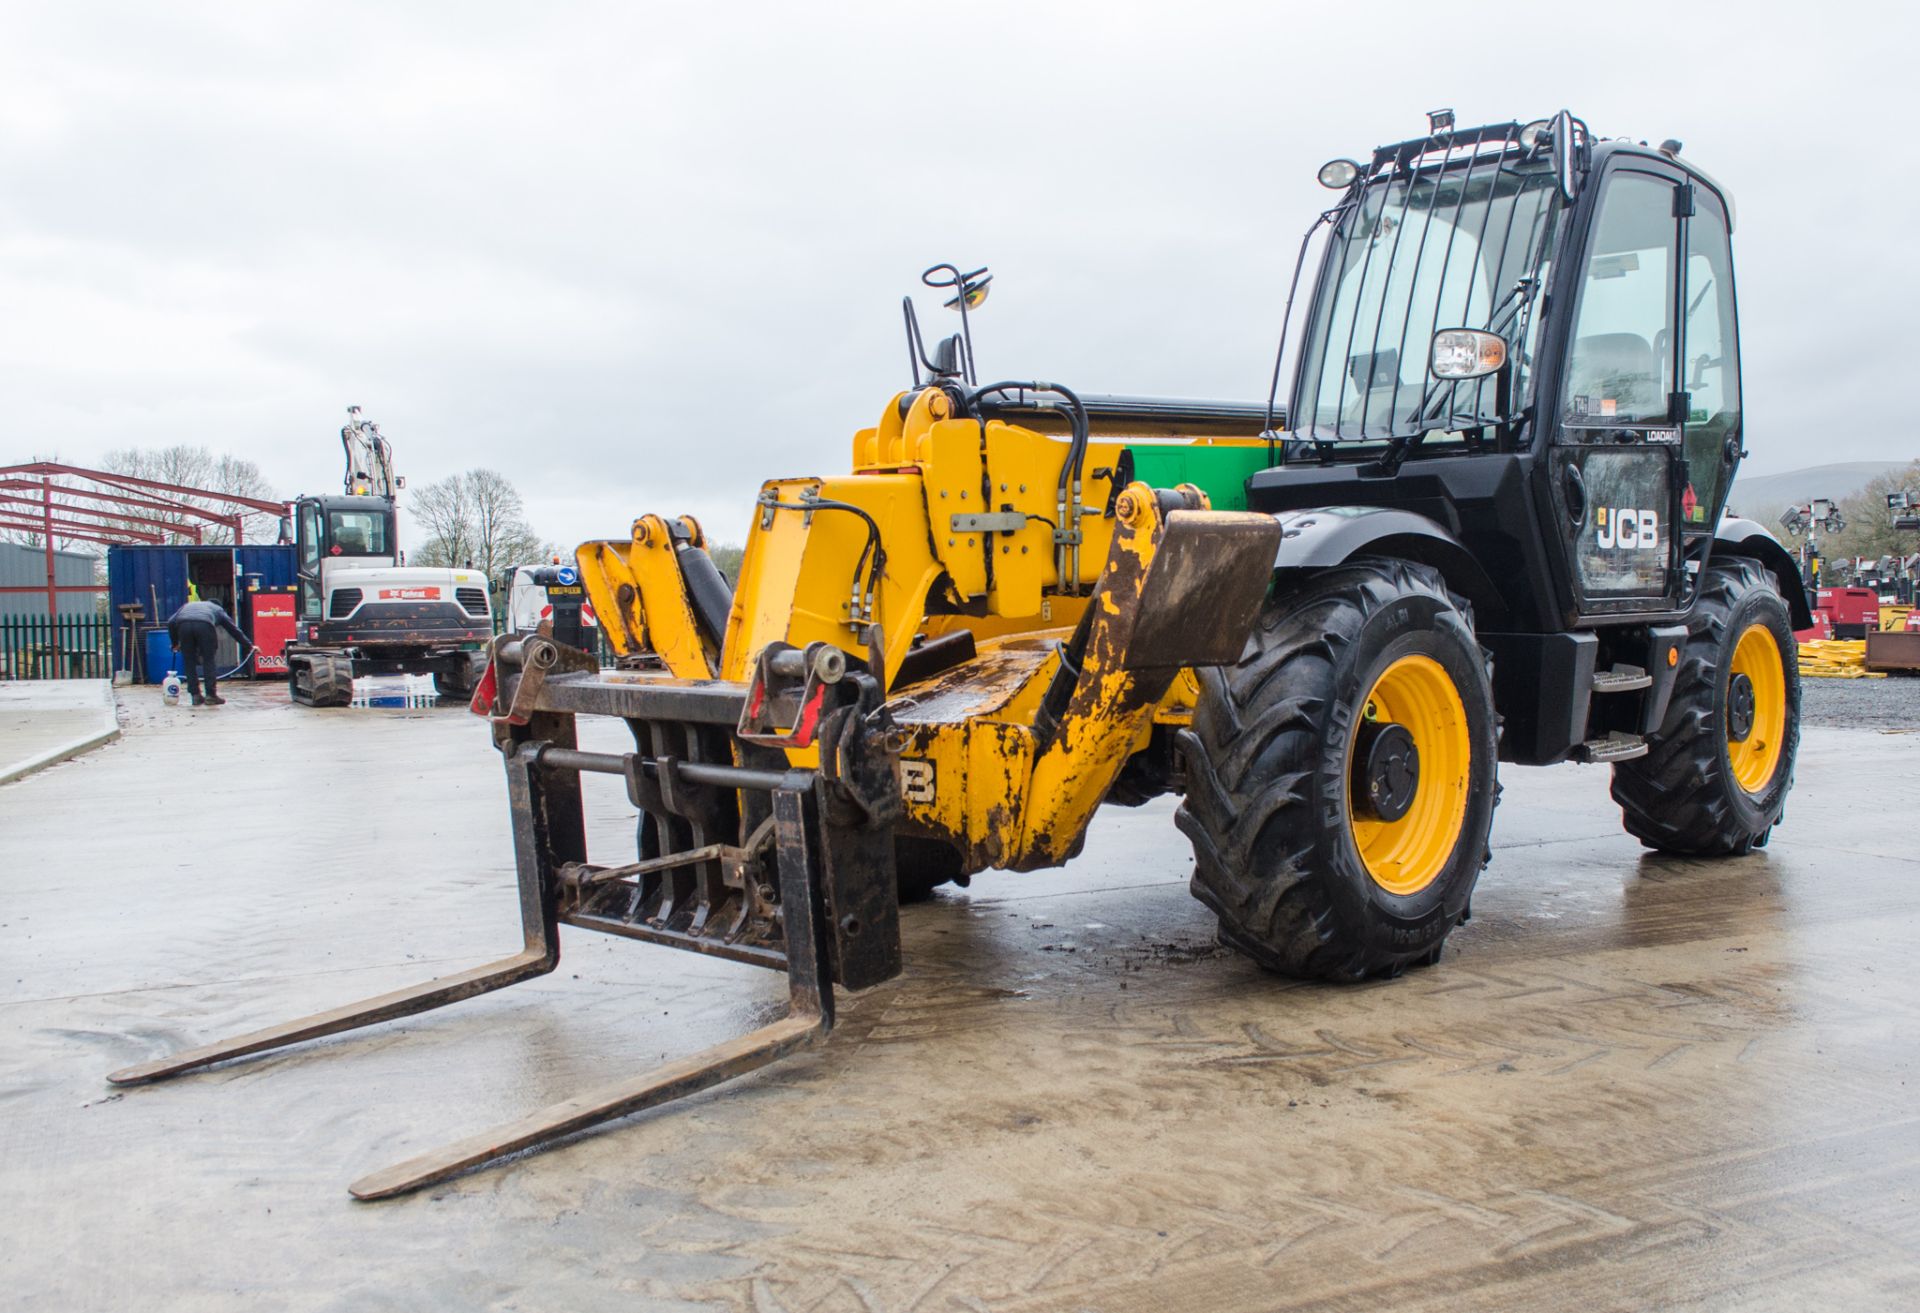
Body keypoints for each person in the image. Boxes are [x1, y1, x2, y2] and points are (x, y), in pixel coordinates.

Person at [166, 598, 249, 707]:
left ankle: (195, 696)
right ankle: (211, 696)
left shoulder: (187, 606)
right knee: (208, 660)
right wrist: (249, 645)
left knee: (189, 661)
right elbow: (233, 629)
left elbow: (171, 622)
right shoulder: (218, 609)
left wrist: (175, 643)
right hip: (204, 625)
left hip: (184, 625)